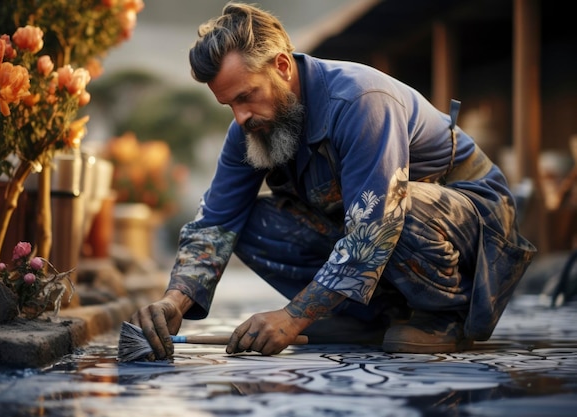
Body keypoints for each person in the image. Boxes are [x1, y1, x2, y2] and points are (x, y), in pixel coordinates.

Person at [130, 2, 536, 358]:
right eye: (229, 104)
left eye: (245, 96)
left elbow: (375, 228)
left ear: (283, 67)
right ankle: (366, 317)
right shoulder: (252, 128)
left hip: (477, 227)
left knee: (392, 209)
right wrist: (173, 302)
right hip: (379, 228)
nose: (240, 117)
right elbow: (214, 224)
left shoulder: (361, 101)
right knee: (246, 223)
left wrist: (293, 316)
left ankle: (444, 314)